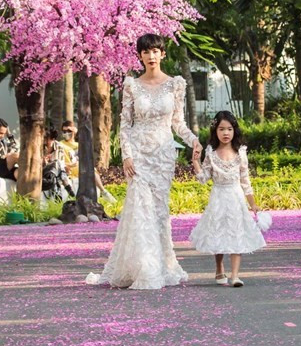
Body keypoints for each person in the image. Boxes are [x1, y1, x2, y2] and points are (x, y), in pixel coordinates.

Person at [86, 34, 202, 290]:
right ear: (139, 56)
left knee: (159, 212)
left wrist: (194, 140)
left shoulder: (175, 85)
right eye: (146, 52)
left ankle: (162, 265)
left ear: (162, 54)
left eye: (155, 51)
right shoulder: (131, 85)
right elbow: (125, 125)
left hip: (162, 154)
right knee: (140, 208)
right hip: (137, 155)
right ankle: (143, 268)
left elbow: (178, 123)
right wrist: (126, 155)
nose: (151, 56)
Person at [189, 111, 265, 287]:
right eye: (222, 129)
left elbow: (245, 181)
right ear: (215, 131)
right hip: (218, 197)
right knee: (219, 234)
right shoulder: (211, 152)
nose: (225, 133)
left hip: (236, 198)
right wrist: (195, 162)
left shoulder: (241, 152)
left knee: (235, 233)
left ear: (234, 131)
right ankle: (219, 267)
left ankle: (235, 276)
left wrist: (253, 204)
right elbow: (203, 179)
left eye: (229, 129)